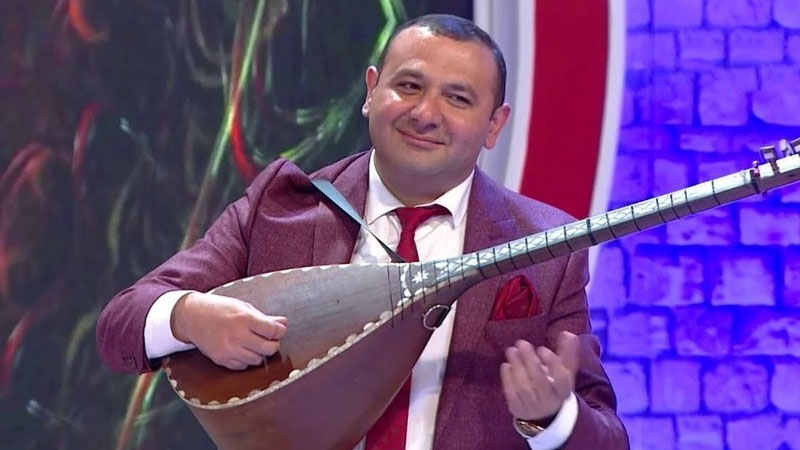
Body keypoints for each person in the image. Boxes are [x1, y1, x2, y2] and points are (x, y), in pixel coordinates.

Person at [97, 14, 628, 450]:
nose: (426, 114)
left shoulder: (545, 246)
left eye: (458, 99)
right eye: (409, 86)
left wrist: (552, 418)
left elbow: (608, 438)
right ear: (372, 91)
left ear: (494, 125)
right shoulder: (281, 207)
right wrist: (189, 316)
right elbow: (121, 324)